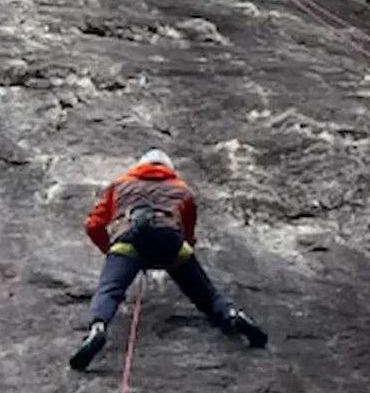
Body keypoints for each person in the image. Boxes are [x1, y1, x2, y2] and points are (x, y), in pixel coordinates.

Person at [69, 148, 268, 371]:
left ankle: (98, 328)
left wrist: (112, 251)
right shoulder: (182, 189)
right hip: (170, 242)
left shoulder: (118, 185)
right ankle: (232, 314)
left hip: (128, 242)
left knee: (109, 290)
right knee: (208, 296)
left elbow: (93, 225)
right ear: (168, 169)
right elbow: (189, 234)